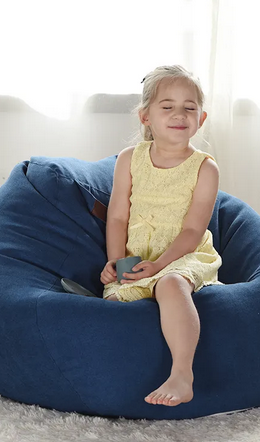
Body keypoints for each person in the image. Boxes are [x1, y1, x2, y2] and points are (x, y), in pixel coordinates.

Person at [100, 65, 222, 407]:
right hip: (138, 256)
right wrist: (115, 260)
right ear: (146, 117)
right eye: (167, 107)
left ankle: (182, 373)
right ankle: (118, 380)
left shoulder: (204, 167)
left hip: (183, 254)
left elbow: (193, 231)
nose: (179, 114)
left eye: (189, 107)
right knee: (112, 304)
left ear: (202, 117)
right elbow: (118, 215)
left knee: (170, 285)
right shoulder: (129, 159)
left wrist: (161, 266)